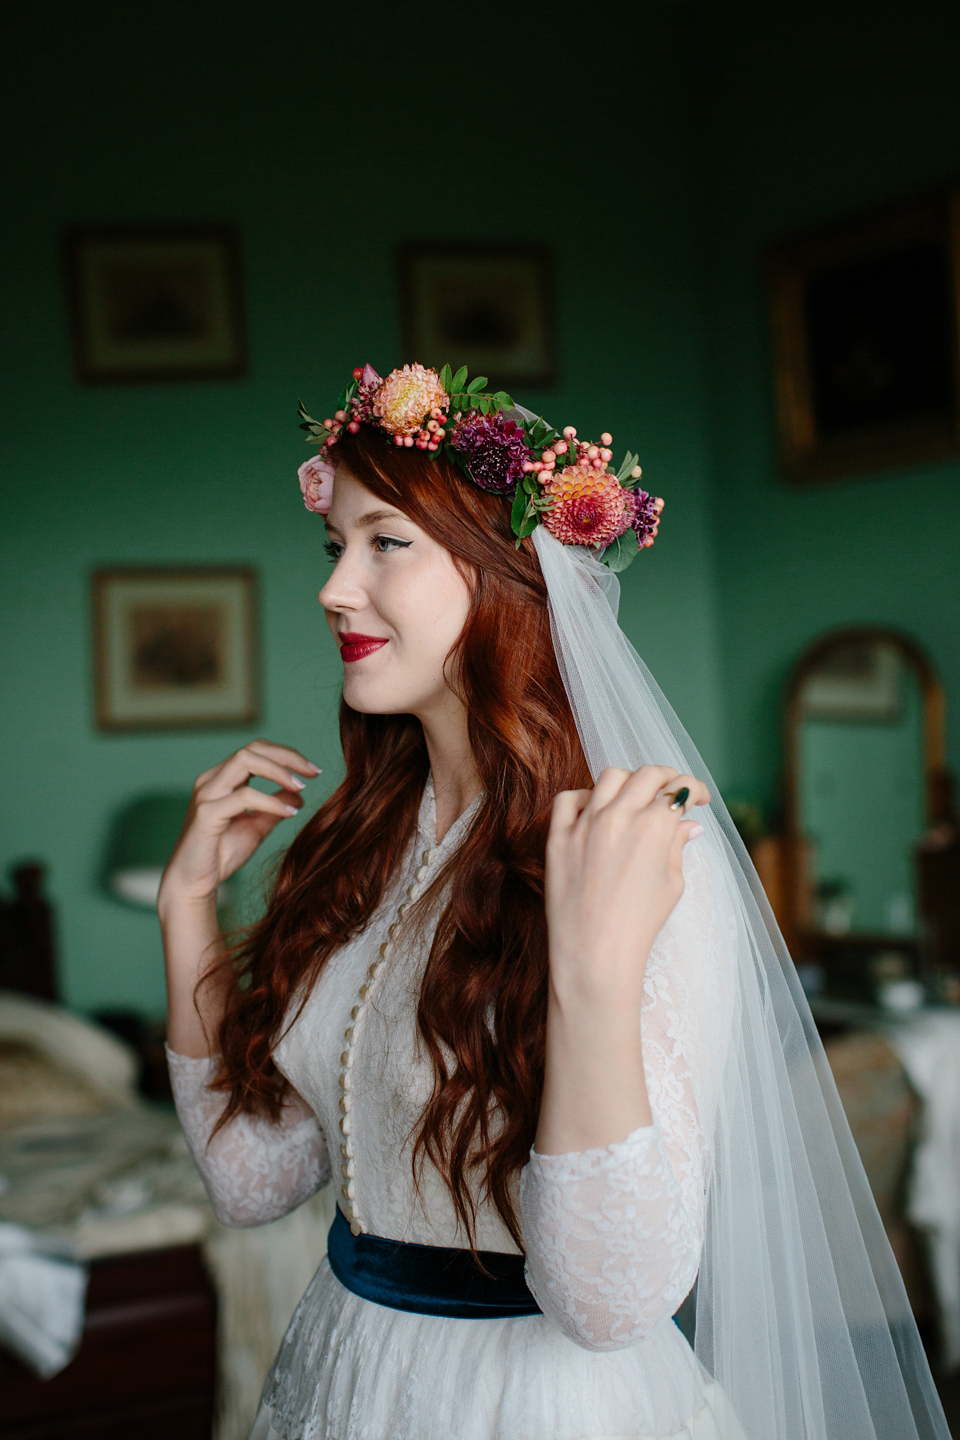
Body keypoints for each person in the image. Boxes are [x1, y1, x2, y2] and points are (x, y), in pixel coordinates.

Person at [160, 364, 949, 1440]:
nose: (334, 588)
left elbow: (611, 1300)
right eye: (335, 545)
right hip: (344, 1372)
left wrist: (588, 970)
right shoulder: (365, 849)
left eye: (385, 542)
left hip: (533, 1406)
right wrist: (187, 907)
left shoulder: (642, 851)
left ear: (508, 572)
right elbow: (254, 1179)